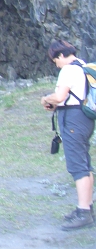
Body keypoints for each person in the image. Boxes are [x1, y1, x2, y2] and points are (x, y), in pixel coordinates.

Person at [41, 39, 94, 230]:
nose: (56, 64)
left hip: (73, 119)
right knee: (84, 163)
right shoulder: (83, 66)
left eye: (56, 60)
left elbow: (60, 97)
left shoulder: (69, 69)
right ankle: (87, 207)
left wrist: (46, 99)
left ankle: (83, 213)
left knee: (77, 165)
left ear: (61, 55)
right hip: (85, 119)